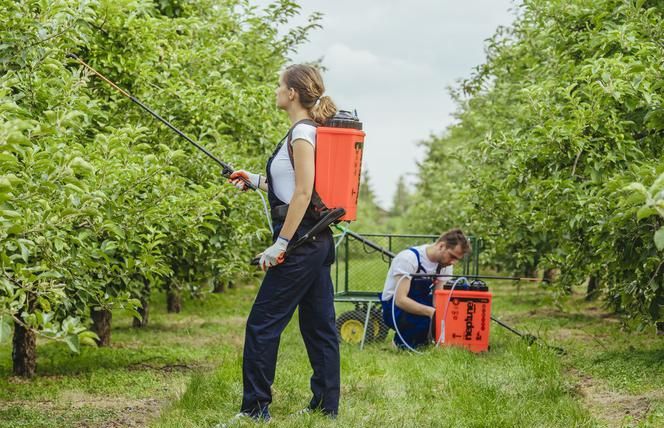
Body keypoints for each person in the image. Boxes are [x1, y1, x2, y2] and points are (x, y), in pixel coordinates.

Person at [228, 64, 340, 422]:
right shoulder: (301, 132)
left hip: (301, 243)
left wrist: (282, 244)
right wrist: (254, 179)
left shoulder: (303, 133)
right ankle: (326, 406)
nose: (276, 90)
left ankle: (255, 408)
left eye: (280, 85)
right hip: (315, 241)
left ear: (292, 93)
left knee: (262, 324)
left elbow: (305, 193)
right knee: (319, 326)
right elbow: (290, 188)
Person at [379, 229, 471, 349]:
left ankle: (434, 339)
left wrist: (446, 315)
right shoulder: (409, 258)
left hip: (420, 299)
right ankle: (399, 344)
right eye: (452, 256)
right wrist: (431, 313)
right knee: (424, 321)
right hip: (394, 307)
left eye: (457, 259)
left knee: (457, 301)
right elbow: (400, 300)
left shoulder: (445, 265)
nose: (453, 262)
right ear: (441, 246)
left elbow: (438, 298)